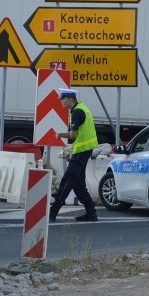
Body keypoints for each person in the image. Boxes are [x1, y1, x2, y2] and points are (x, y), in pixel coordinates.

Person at [50, 88, 99, 222]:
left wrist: (61, 135)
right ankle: (91, 213)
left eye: (62, 98)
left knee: (68, 179)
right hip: (85, 149)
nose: (60, 101)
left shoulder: (77, 112)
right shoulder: (82, 108)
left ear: (71, 99)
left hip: (82, 150)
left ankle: (52, 211)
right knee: (78, 183)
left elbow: (73, 135)